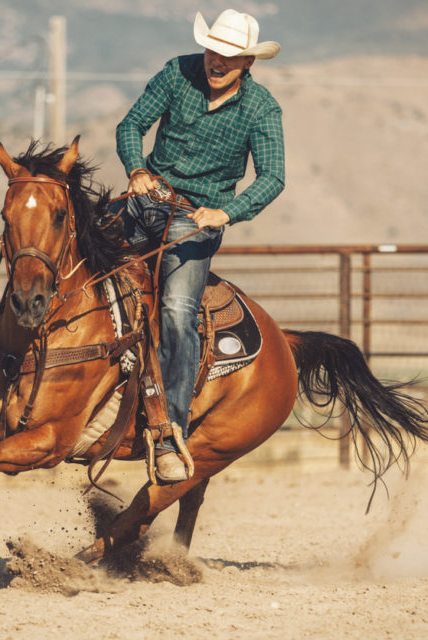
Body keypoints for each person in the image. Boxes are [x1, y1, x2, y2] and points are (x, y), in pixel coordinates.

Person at [114, 9, 285, 482]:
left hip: (196, 220)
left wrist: (226, 212)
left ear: (248, 63)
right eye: (213, 51)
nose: (217, 61)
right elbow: (131, 126)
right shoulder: (176, 72)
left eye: (229, 57)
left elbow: (272, 177)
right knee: (61, 253)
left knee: (175, 310)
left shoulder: (261, 109)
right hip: (148, 197)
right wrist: (137, 169)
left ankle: (170, 432)